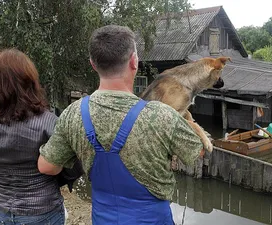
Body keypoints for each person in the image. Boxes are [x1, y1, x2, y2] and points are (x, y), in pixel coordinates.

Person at [37, 25, 204, 224]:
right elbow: (197, 152)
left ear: (93, 64)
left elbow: (46, 166)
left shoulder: (73, 114)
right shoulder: (162, 115)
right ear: (134, 61)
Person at [0, 48, 69, 225]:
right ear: (29, 81)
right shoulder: (49, 122)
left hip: (4, 211)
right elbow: (69, 170)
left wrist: (6, 171)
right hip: (43, 210)